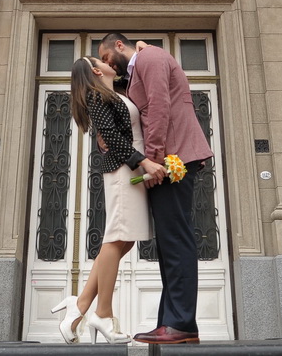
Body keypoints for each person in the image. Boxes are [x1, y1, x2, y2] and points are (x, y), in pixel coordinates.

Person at [98, 33, 214, 345]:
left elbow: (160, 107)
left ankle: (180, 323)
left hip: (173, 160)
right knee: (170, 242)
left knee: (175, 240)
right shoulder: (142, 65)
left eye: (106, 57)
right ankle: (173, 322)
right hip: (171, 158)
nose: (109, 64)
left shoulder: (148, 58)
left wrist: (153, 161)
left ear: (119, 46)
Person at [51, 55, 161, 344]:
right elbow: (111, 135)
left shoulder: (115, 93)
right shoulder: (98, 98)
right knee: (116, 237)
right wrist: (144, 163)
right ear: (97, 70)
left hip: (129, 169)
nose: (110, 60)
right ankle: (103, 312)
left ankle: (81, 303)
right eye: (101, 59)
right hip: (124, 171)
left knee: (125, 239)